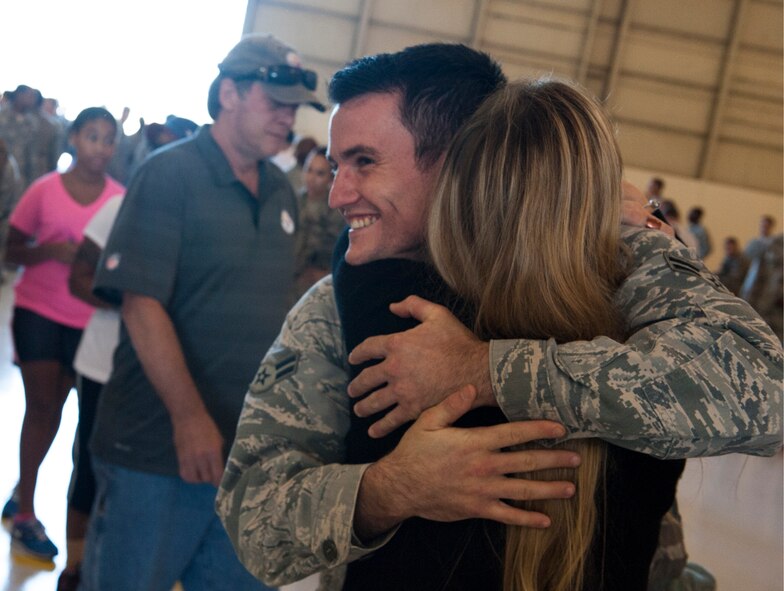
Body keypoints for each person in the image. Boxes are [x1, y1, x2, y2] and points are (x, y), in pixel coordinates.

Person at [216, 43, 782, 589]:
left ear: (458, 161)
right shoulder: (336, 310)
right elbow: (252, 522)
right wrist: (389, 490)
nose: (338, 194)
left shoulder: (615, 264)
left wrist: (484, 370)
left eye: (365, 162)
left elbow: (765, 391)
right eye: (336, 164)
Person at [80, 33, 324, 591]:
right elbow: (142, 307)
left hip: (245, 458)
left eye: (294, 108)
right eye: (275, 102)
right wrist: (189, 419)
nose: (287, 117)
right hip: (156, 450)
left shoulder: (280, 193)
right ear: (229, 93)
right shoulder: (170, 175)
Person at [1, 107, 123, 562]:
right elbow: (11, 249)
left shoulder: (119, 199)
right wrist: (49, 251)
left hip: (88, 321)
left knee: (62, 412)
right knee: (41, 406)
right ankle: (26, 512)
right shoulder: (44, 189)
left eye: (108, 139)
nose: (100, 147)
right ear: (73, 138)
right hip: (38, 311)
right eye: (92, 136)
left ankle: (23, 486)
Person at [58, 194, 124, 591]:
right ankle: (74, 569)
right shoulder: (121, 206)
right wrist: (133, 305)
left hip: (168, 371)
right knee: (88, 466)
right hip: (103, 362)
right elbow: (79, 277)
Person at [291, 146, 344, 301]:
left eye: (320, 173)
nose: (311, 178)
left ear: (331, 178)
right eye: (309, 170)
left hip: (318, 286)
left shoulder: (337, 211)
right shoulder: (292, 201)